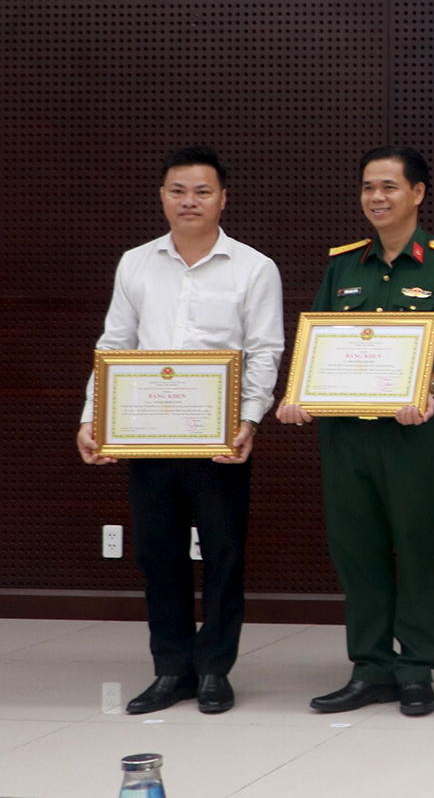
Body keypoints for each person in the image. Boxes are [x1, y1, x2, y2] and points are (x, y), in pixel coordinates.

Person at [275, 145, 434, 718]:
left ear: (418, 193)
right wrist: (298, 394)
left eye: (389, 187)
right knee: (356, 547)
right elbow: (319, 345)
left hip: (415, 432)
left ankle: (418, 666)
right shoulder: (343, 264)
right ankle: (370, 666)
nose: (377, 198)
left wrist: (425, 388)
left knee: (416, 544)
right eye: (369, 188)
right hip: (346, 434)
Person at [75, 146, 283, 716]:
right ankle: (170, 669)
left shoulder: (254, 267)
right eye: (177, 191)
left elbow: (265, 350)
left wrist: (249, 419)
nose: (189, 202)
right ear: (162, 196)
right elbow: (114, 345)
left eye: (202, 192)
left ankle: (214, 669)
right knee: (157, 554)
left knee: (223, 554)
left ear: (223, 198)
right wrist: (93, 415)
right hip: (147, 433)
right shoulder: (136, 263)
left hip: (219, 438)